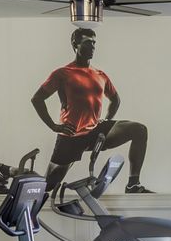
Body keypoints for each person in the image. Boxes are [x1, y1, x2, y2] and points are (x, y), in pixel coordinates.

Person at [32, 26, 152, 196]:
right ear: (75, 44)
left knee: (139, 130)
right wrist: (54, 126)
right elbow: (37, 99)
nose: (93, 47)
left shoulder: (100, 74)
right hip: (71, 136)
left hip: (96, 131)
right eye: (88, 43)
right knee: (47, 185)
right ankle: (9, 172)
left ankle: (133, 184)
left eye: (94, 43)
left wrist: (106, 120)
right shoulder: (63, 73)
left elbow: (115, 100)